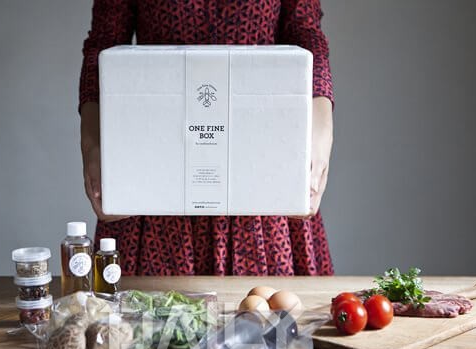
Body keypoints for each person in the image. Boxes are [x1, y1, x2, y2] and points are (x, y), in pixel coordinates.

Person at [79, 0, 334, 276]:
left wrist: (321, 135)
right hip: (157, 175)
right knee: (148, 303)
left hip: (259, 173)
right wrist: (92, 145)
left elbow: (306, 34)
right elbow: (104, 42)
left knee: (266, 302)